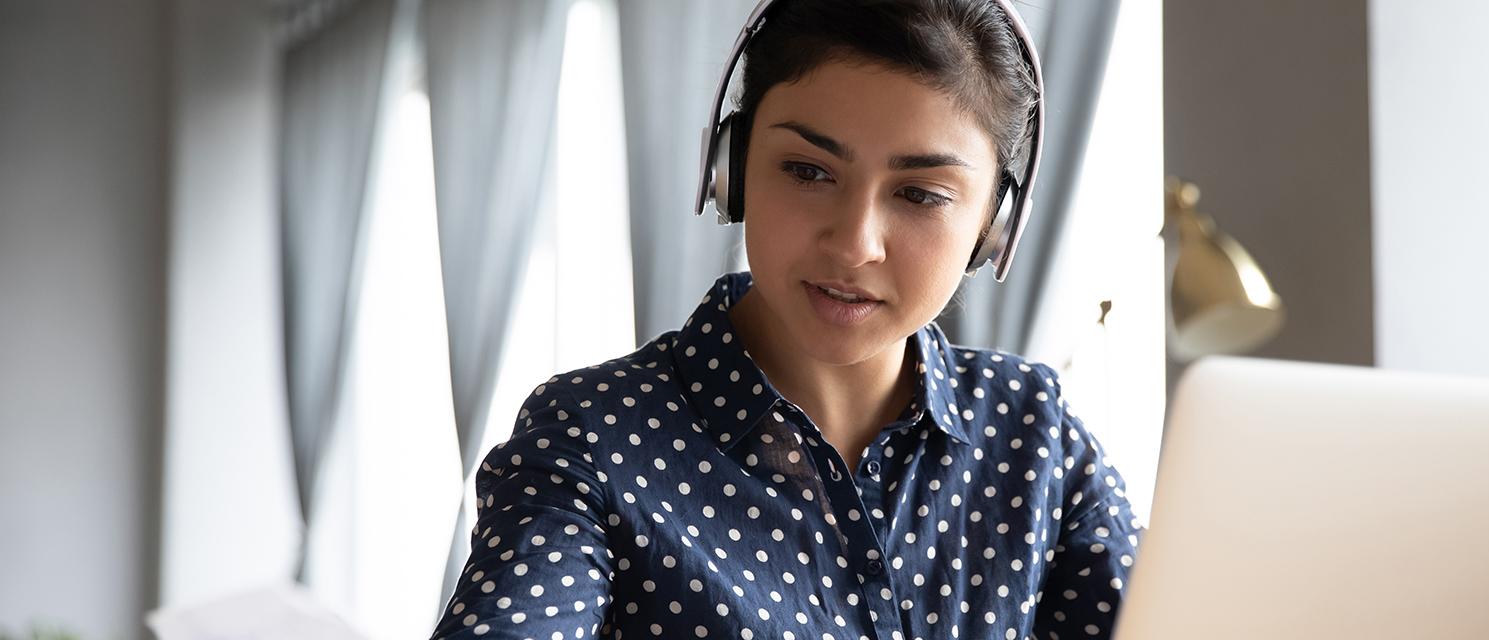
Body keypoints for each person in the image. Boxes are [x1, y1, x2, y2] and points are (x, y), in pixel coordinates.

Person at [430, 1, 1143, 638]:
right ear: (730, 170)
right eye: (808, 171)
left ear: (994, 225)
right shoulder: (592, 438)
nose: (856, 243)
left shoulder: (1033, 434)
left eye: (921, 194)